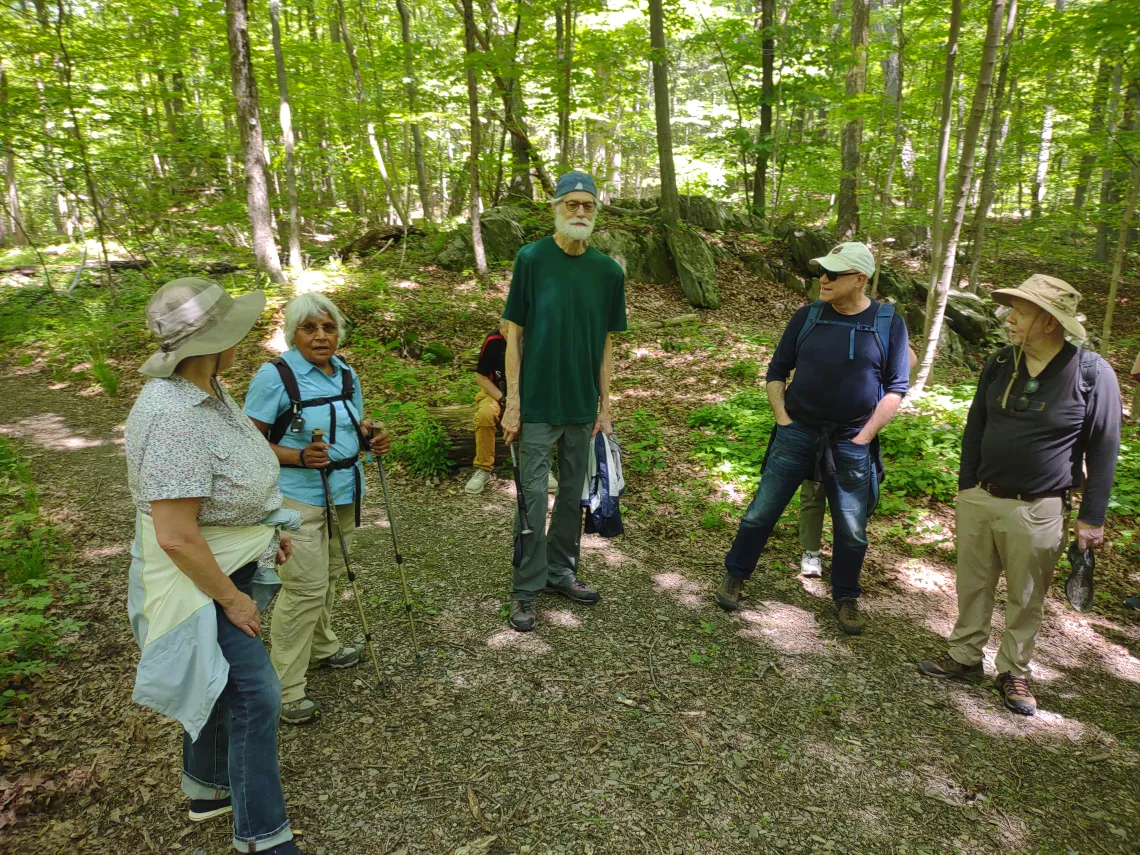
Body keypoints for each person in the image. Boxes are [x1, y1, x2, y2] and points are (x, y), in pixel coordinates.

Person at [125, 278, 306, 855]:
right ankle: (261, 836)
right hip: (203, 580)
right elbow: (177, 536)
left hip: (232, 562)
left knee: (225, 682)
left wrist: (261, 535)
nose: (244, 337)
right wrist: (233, 596)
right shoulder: (173, 412)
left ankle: (206, 788)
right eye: (233, 329)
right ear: (210, 341)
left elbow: (226, 491)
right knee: (257, 696)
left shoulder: (211, 390)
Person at [920, 275, 1121, 716]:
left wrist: (1092, 517)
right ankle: (965, 655)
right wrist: (966, 488)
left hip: (1039, 507)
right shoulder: (1000, 363)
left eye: (1021, 312)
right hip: (981, 497)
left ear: (1049, 322)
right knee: (973, 583)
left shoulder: (1091, 373)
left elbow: (1104, 448)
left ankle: (1014, 670)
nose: (1010, 319)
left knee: (1026, 594)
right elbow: (976, 428)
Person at [715, 242, 910, 635]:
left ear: (860, 279)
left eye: (834, 273)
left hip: (852, 440)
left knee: (851, 527)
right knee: (761, 510)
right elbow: (776, 370)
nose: (824, 278)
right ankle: (736, 574)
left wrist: (864, 437)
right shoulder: (808, 316)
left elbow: (896, 388)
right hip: (797, 431)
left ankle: (846, 596)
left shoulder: (889, 322)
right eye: (823, 270)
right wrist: (783, 418)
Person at [244, 293, 390, 725]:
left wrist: (371, 438)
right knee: (304, 588)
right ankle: (284, 689)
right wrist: (296, 457)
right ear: (293, 333)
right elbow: (248, 443)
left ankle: (323, 646)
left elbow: (353, 423)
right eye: (310, 328)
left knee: (326, 576)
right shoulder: (275, 376)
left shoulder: (345, 371)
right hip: (298, 498)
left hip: (343, 492)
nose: (321, 336)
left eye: (328, 328)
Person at [501, 170, 627, 632]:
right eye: (571, 204)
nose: (579, 212)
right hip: (536, 403)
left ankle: (560, 571)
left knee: (573, 495)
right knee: (533, 498)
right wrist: (512, 401)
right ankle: (525, 588)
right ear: (555, 207)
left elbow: (606, 345)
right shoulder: (531, 259)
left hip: (581, 405)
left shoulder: (608, 272)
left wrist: (606, 405)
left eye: (587, 206)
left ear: (596, 212)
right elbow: (512, 335)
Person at [797, 345, 918, 578]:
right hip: (818, 425)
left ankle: (845, 560)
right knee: (813, 491)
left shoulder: (883, 325)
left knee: (853, 499)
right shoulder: (827, 320)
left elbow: (908, 359)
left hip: (858, 431)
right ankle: (811, 552)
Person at [465, 321, 557, 496]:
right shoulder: (493, 341)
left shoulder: (533, 341)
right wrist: (505, 400)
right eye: (510, 333)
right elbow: (481, 378)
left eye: (520, 333)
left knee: (539, 418)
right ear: (501, 329)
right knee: (485, 415)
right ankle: (483, 469)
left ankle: (543, 468)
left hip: (527, 395)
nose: (515, 338)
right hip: (496, 393)